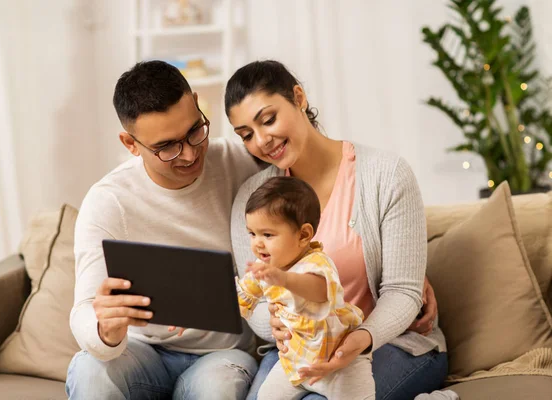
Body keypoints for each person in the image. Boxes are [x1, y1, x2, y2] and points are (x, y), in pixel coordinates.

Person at [226, 60, 448, 400]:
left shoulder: (386, 175)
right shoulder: (252, 199)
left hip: (390, 343)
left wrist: (359, 341)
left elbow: (404, 291)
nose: (262, 141)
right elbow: (252, 295)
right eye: (246, 135)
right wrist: (271, 322)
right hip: (302, 347)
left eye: (268, 120)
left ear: (298, 97)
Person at [65, 60, 260, 400]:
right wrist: (105, 330)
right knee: (89, 369)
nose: (188, 154)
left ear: (198, 105)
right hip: (144, 354)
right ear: (130, 144)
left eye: (195, 130)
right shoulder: (108, 201)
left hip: (222, 355)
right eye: (167, 147)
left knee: (217, 388)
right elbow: (83, 308)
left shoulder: (241, 163)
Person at [236, 176, 373, 400]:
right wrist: (198, 316)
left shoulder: (317, 263)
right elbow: (239, 301)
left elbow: (320, 290)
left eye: (267, 235)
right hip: (296, 359)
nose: (257, 243)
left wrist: (284, 279)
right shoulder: (264, 270)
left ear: (303, 235)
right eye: (252, 233)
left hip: (341, 362)